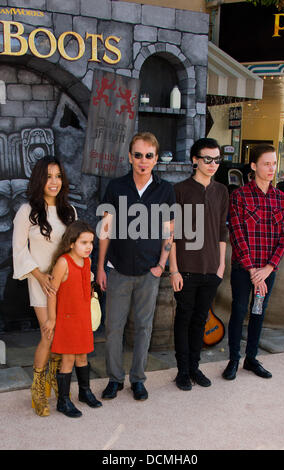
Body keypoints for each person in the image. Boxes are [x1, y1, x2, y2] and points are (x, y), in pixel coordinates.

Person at [97, 132, 175, 401]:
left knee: (144, 328)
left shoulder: (165, 190)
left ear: (156, 159)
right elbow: (104, 230)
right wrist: (100, 268)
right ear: (130, 157)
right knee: (113, 328)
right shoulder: (116, 187)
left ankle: (138, 379)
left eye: (149, 156)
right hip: (117, 269)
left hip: (148, 272)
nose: (143, 161)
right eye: (138, 155)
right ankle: (115, 379)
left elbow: (169, 232)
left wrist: (162, 265)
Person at [12, 156, 76, 417]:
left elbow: (77, 249)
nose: (54, 182)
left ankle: (56, 383)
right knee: (49, 335)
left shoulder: (69, 211)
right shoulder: (27, 211)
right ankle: (38, 389)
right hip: (41, 283)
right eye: (49, 176)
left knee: (65, 337)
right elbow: (19, 250)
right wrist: (41, 277)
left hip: (67, 283)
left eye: (58, 176)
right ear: (40, 179)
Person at [223, 144, 284, 381]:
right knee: (240, 310)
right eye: (266, 163)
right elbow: (237, 234)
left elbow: (283, 237)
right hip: (245, 269)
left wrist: (268, 268)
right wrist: (253, 270)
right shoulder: (239, 196)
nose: (271, 168)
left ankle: (251, 359)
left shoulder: (282, 199)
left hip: (267, 270)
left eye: (274, 163)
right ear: (254, 166)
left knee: (258, 312)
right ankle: (233, 359)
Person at [169, 138, 229, 390]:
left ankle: (195, 367)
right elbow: (170, 233)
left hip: (211, 269)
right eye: (207, 159)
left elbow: (221, 231)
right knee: (184, 319)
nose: (212, 164)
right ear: (195, 160)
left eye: (216, 159)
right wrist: (173, 269)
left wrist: (221, 267)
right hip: (186, 268)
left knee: (200, 320)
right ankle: (182, 371)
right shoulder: (179, 190)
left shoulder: (222, 191)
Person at [43, 220, 102, 418]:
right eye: (84, 242)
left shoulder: (87, 262)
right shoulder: (63, 263)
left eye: (91, 243)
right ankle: (63, 401)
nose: (89, 247)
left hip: (82, 318)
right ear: (71, 243)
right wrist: (52, 319)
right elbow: (52, 293)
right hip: (67, 319)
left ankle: (85, 392)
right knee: (68, 358)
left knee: (83, 355)